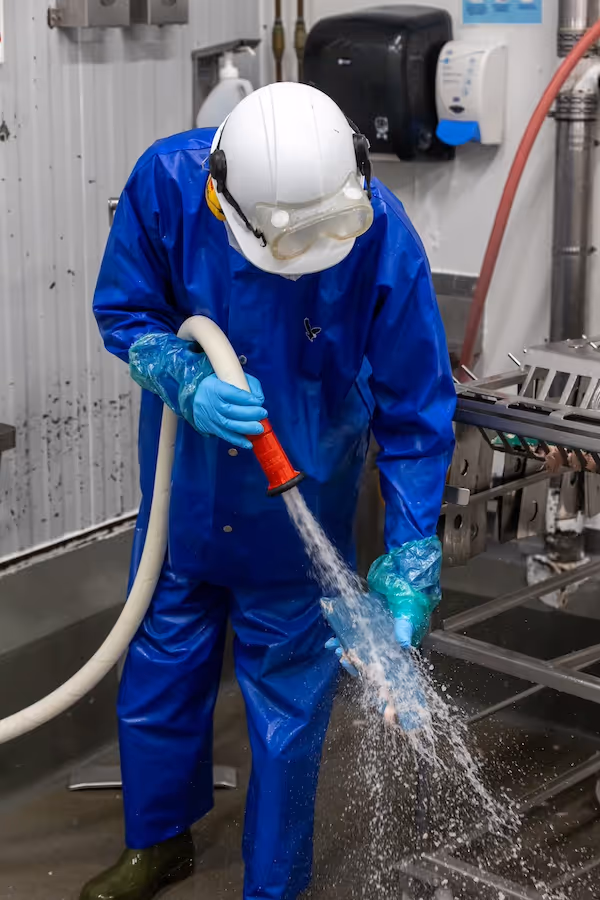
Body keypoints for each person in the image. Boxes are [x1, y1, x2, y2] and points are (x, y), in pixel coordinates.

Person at [84, 82, 456, 900]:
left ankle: (274, 886)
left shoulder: (375, 225)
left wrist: (412, 545)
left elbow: (416, 401)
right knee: (160, 669)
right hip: (185, 496)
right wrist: (184, 378)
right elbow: (126, 310)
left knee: (289, 710)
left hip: (301, 512)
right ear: (225, 195)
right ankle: (157, 842)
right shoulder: (170, 184)